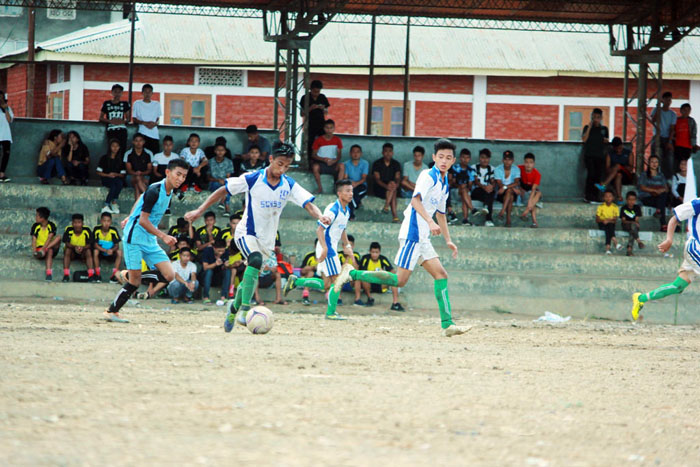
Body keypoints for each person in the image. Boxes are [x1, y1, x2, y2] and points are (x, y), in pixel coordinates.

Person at [184, 142, 331, 332]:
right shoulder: (253, 178)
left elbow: (308, 204)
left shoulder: (288, 184)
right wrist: (199, 210)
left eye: (287, 165)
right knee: (254, 260)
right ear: (270, 159)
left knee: (248, 280)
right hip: (246, 233)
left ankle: (233, 308)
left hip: (266, 241)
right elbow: (224, 190)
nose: (283, 169)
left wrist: (320, 216)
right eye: (280, 163)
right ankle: (245, 309)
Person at [337, 139, 471, 337]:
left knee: (441, 275)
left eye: (448, 158)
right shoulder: (428, 176)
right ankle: (352, 274)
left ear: (453, 161)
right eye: (440, 156)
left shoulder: (444, 183)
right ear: (434, 158)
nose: (444, 160)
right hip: (413, 233)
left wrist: (448, 240)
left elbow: (441, 214)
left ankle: (448, 325)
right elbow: (415, 201)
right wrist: (430, 221)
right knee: (399, 281)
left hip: (423, 236)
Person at [104, 158, 189, 323]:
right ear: (167, 172)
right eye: (178, 174)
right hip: (135, 237)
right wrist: (163, 236)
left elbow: (141, 198)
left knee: (169, 275)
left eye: (184, 176)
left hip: (149, 238)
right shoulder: (155, 190)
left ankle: (126, 275)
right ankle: (111, 311)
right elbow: (143, 220)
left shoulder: (170, 191)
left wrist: (130, 215)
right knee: (135, 283)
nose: (180, 179)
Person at [283, 179, 356, 319]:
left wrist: (347, 246)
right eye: (347, 191)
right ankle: (331, 313)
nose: (351, 193)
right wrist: (324, 248)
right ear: (339, 193)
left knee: (327, 284)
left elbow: (342, 229)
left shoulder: (346, 210)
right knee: (337, 281)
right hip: (327, 247)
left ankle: (296, 281)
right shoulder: (333, 209)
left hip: (331, 247)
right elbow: (319, 230)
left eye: (351, 190)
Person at [631, 197, 700, 321]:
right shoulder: (697, 203)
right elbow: (675, 218)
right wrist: (669, 239)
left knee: (677, 286)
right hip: (695, 247)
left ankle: (641, 298)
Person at [356, 242, 402, 310]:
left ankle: (395, 303)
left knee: (393, 279)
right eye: (373, 252)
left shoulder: (383, 259)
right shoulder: (365, 258)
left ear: (379, 252)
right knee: (361, 278)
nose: (374, 254)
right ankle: (370, 298)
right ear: (370, 252)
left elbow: (392, 272)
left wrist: (383, 272)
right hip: (369, 283)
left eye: (376, 252)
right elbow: (361, 272)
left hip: (380, 283)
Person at [582, 108, 609, 202]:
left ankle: (596, 196)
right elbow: (584, 139)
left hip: (599, 155)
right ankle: (587, 195)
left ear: (601, 118)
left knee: (598, 176)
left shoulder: (604, 129)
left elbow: (606, 140)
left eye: (598, 117)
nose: (596, 119)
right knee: (591, 174)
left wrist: (606, 140)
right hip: (589, 155)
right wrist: (589, 127)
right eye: (594, 117)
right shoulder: (587, 127)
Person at [597, 137, 634, 202]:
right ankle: (619, 198)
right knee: (618, 175)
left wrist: (622, 167)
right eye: (616, 149)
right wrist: (615, 169)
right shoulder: (610, 154)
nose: (618, 150)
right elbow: (607, 169)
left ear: (622, 145)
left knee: (618, 166)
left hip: (626, 175)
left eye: (619, 148)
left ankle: (604, 184)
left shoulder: (629, 153)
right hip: (613, 176)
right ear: (613, 147)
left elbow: (631, 168)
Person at [310, 119, 343, 194]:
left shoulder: (337, 140)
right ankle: (320, 188)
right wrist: (324, 160)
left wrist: (334, 160)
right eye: (327, 128)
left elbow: (339, 155)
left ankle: (339, 189)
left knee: (342, 166)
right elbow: (313, 155)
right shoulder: (318, 140)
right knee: (315, 167)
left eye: (331, 128)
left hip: (333, 163)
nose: (329, 130)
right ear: (324, 128)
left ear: (334, 128)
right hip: (322, 163)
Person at [638, 154, 669, 231]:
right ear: (648, 163)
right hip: (647, 198)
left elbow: (666, 188)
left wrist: (660, 191)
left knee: (663, 196)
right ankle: (663, 224)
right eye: (652, 162)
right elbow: (642, 187)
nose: (654, 164)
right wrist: (654, 190)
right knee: (661, 201)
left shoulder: (661, 175)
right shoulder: (644, 175)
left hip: (659, 198)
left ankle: (659, 212)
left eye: (656, 162)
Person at [372, 142, 402, 222]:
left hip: (392, 188)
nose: (388, 153)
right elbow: (377, 179)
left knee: (393, 188)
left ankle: (386, 206)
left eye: (390, 151)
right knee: (392, 190)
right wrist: (387, 186)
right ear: (382, 152)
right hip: (380, 188)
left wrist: (395, 185)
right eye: (386, 151)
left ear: (392, 153)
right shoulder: (377, 163)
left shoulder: (396, 164)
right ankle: (395, 216)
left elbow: (398, 178)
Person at [299, 79, 330, 156]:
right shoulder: (305, 98)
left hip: (321, 124)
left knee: (322, 141)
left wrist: (323, 108)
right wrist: (310, 108)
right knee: (310, 143)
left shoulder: (322, 97)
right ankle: (309, 159)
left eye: (318, 92)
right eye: (314, 92)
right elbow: (302, 114)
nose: (316, 94)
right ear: (311, 89)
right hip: (310, 124)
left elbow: (326, 112)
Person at [338, 144, 369, 219]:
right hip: (350, 185)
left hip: (361, 185)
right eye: (353, 152)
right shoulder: (346, 163)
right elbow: (345, 177)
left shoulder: (365, 163)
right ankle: (356, 206)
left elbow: (364, 178)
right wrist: (351, 183)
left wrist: (356, 184)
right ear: (350, 153)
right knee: (350, 194)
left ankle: (353, 211)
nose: (355, 154)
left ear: (361, 153)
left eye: (357, 152)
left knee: (351, 194)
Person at [62, 213, 95, 282]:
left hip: (83, 252)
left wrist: (82, 248)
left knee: (88, 251)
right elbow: (66, 243)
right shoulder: (68, 229)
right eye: (75, 223)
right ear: (72, 223)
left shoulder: (87, 230)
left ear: (83, 223)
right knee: (67, 250)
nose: (77, 225)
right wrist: (75, 247)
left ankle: (91, 275)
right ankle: (66, 275)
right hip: (72, 252)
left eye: (79, 222)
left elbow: (90, 244)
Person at [650, 91, 677, 178]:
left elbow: (672, 129)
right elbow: (653, 121)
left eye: (670, 100)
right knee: (655, 157)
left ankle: (668, 179)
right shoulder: (656, 110)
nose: (668, 102)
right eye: (666, 100)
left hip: (667, 138)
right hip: (657, 137)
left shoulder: (673, 114)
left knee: (669, 158)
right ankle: (654, 176)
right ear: (663, 100)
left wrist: (669, 141)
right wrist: (658, 108)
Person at [97, 139, 127, 214]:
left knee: (119, 183)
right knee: (113, 186)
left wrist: (116, 174)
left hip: (116, 178)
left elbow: (123, 174)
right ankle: (106, 205)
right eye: (113, 146)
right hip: (106, 178)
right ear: (110, 147)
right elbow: (98, 172)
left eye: (117, 146)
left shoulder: (120, 159)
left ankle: (114, 202)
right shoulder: (104, 158)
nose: (115, 148)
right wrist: (108, 175)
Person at [99, 84, 130, 155]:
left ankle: (121, 165)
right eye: (115, 91)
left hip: (122, 130)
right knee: (112, 150)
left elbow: (128, 119)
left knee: (122, 150)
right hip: (111, 130)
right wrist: (111, 121)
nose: (117, 94)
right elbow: (101, 118)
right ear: (112, 92)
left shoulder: (125, 104)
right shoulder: (107, 103)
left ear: (122, 93)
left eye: (119, 92)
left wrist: (121, 121)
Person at [31, 207, 60, 281]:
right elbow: (34, 240)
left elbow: (49, 239)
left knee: (58, 238)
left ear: (42, 218)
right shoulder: (35, 226)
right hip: (39, 249)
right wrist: (34, 251)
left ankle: (49, 273)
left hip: (47, 247)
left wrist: (44, 249)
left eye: (37, 215)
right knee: (49, 251)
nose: (36, 217)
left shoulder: (51, 225)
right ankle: (49, 273)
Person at [92, 211, 122, 283]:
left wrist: (111, 250)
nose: (106, 223)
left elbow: (117, 245)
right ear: (101, 221)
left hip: (110, 253)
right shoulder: (97, 230)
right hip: (101, 253)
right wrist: (105, 250)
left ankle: (114, 276)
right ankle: (97, 274)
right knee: (95, 251)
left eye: (108, 221)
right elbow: (95, 245)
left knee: (119, 252)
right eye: (104, 221)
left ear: (111, 222)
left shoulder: (113, 231)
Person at [131, 84, 161, 154]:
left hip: (154, 134)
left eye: (149, 92)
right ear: (142, 93)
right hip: (142, 133)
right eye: (145, 92)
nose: (147, 94)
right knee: (143, 155)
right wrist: (145, 123)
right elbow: (134, 119)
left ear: (152, 93)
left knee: (154, 154)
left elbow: (157, 118)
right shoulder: (137, 103)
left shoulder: (157, 104)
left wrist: (154, 124)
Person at [494, 150, 522, 228]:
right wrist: (511, 188)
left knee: (510, 193)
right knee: (510, 195)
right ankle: (508, 219)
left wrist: (506, 187)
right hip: (501, 193)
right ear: (502, 160)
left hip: (510, 192)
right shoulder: (498, 169)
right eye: (505, 159)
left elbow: (516, 182)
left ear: (512, 160)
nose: (507, 161)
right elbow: (499, 184)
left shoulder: (516, 169)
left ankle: (502, 211)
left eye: (509, 159)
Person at [449, 148, 476, 225]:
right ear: (460, 158)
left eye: (467, 158)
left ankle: (465, 219)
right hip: (455, 192)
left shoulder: (471, 170)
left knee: (464, 192)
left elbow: (470, 185)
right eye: (463, 157)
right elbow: (452, 183)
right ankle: (472, 209)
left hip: (465, 193)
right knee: (463, 190)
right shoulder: (454, 168)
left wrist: (465, 187)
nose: (465, 159)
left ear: (469, 159)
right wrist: (460, 186)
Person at [200, 239, 231, 305]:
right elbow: (205, 267)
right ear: (214, 248)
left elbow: (224, 267)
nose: (221, 253)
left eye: (222, 251)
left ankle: (224, 296)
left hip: (218, 276)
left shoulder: (226, 252)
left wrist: (226, 265)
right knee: (209, 271)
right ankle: (206, 297)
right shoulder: (207, 251)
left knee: (228, 271)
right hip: (206, 277)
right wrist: (215, 264)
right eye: (219, 251)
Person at [471, 148, 496, 227]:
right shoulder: (474, 167)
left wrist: (491, 186)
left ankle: (487, 215)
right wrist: (484, 187)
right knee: (487, 194)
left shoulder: (491, 168)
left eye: (486, 158)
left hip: (487, 191)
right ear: (479, 158)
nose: (484, 160)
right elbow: (476, 181)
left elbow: (493, 181)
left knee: (490, 193)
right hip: (477, 191)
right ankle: (489, 219)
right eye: (482, 157)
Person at [208, 142, 235, 216]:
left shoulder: (229, 162)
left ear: (225, 151)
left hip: (225, 183)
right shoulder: (210, 161)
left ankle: (222, 202)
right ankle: (227, 208)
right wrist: (218, 180)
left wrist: (224, 181)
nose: (220, 152)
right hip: (214, 183)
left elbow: (228, 177)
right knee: (222, 186)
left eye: (222, 150)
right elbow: (208, 177)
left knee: (228, 186)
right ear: (215, 151)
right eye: (218, 150)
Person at [125, 133, 153, 201]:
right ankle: (150, 198)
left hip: (145, 177)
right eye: (136, 141)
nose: (138, 143)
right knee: (137, 178)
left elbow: (149, 169)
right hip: (131, 177)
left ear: (143, 142)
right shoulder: (128, 153)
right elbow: (128, 170)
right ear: (133, 142)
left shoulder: (149, 153)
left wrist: (141, 173)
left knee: (137, 185)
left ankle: (137, 209)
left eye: (140, 140)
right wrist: (136, 173)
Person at [518, 152, 542, 228]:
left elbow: (533, 189)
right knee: (533, 203)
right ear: (524, 162)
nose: (528, 165)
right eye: (526, 162)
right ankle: (534, 222)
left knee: (538, 193)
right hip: (523, 190)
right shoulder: (519, 168)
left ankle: (526, 212)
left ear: (534, 164)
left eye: (531, 163)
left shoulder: (537, 174)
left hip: (532, 192)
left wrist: (529, 203)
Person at [620, 191, 645, 257]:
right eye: (630, 200)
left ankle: (629, 249)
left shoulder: (637, 208)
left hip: (634, 226)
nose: (631, 201)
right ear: (626, 200)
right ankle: (639, 241)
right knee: (633, 227)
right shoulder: (623, 208)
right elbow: (623, 221)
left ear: (635, 200)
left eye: (633, 200)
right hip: (626, 225)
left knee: (632, 231)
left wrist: (634, 223)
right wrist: (632, 222)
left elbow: (636, 220)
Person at [596, 189, 620, 255]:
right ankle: (615, 242)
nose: (608, 198)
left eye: (610, 196)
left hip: (611, 224)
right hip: (602, 224)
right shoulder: (600, 207)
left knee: (608, 228)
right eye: (606, 196)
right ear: (603, 198)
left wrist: (608, 220)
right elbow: (597, 220)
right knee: (608, 227)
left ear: (613, 198)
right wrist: (603, 220)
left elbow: (615, 219)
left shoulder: (615, 207)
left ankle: (607, 249)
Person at [0, 90, 14, 182]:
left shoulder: (7, 108)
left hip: (5, 135)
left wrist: (5, 109)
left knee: (6, 154)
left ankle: (2, 174)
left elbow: (9, 120)